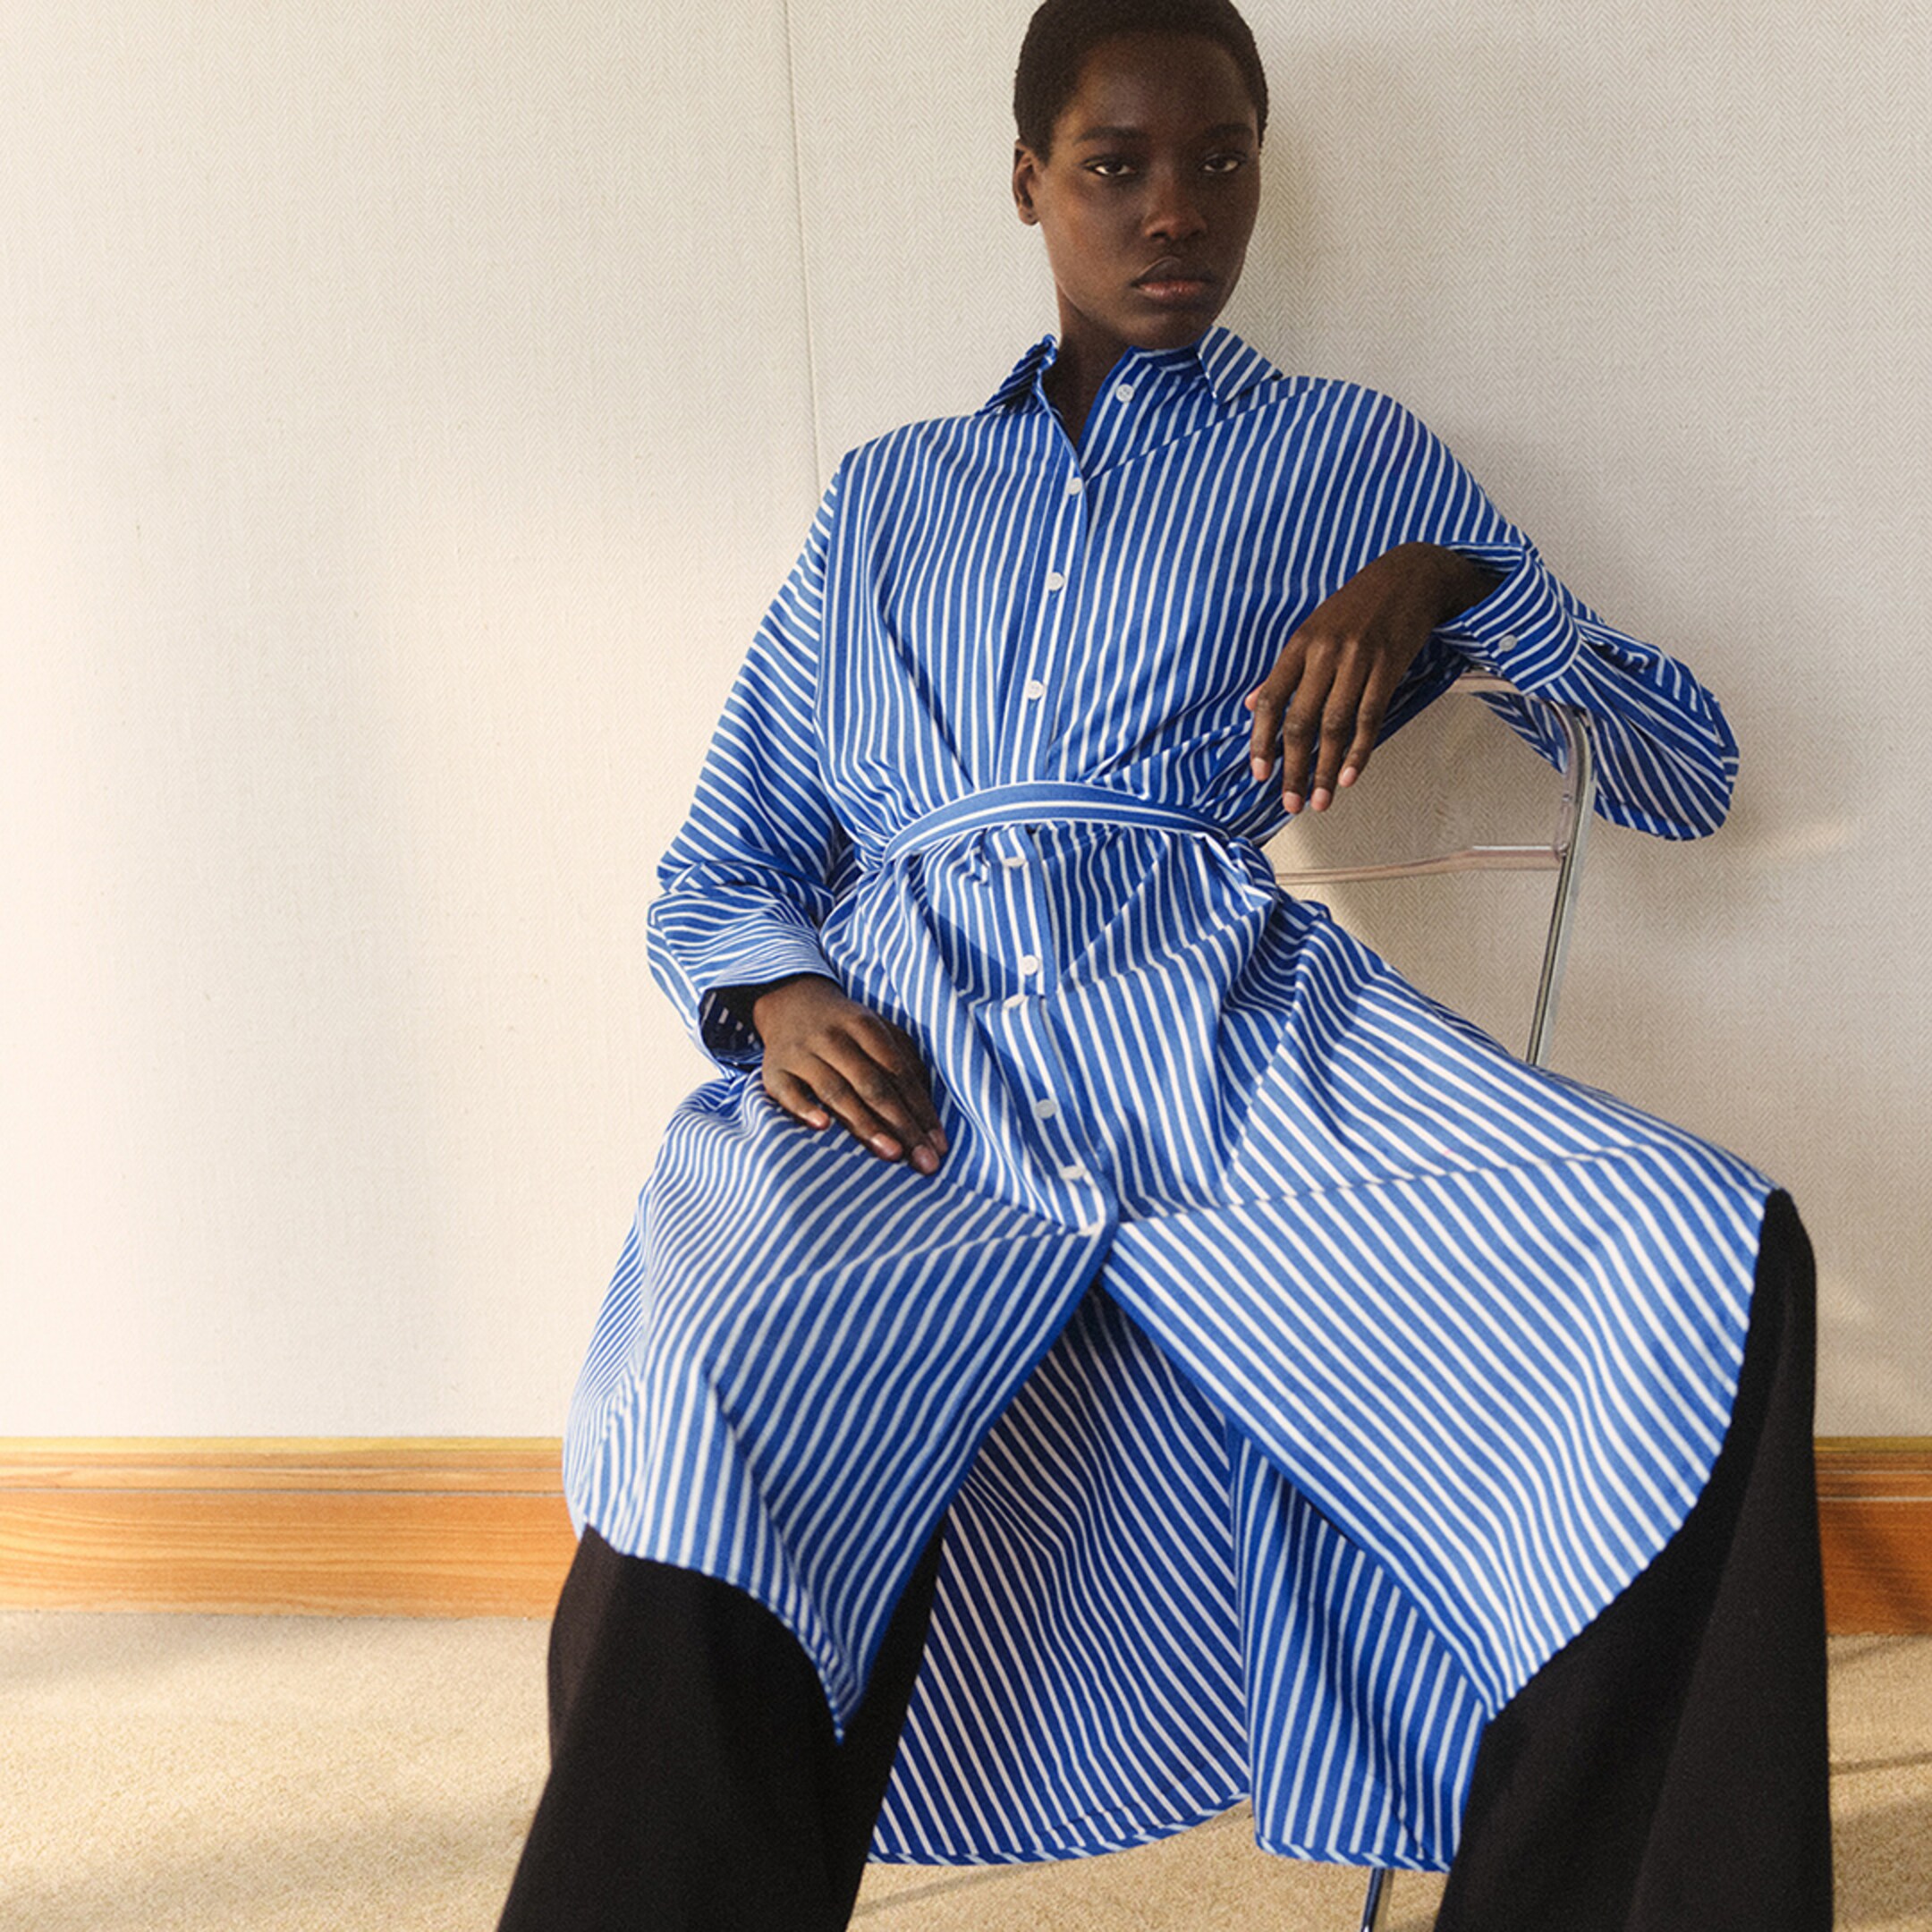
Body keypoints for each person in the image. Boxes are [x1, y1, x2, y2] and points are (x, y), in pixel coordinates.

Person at [498, 2, 1832, 1927]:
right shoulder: (885, 501)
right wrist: (776, 1000)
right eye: (1115, 165)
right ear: (1029, 177)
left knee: (1703, 1258)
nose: (1172, 210)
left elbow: (1683, 769)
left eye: (1219, 158)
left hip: (1223, 1045)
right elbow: (726, 857)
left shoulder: (1353, 459)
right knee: (710, 1379)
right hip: (911, 1074)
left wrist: (1446, 585)